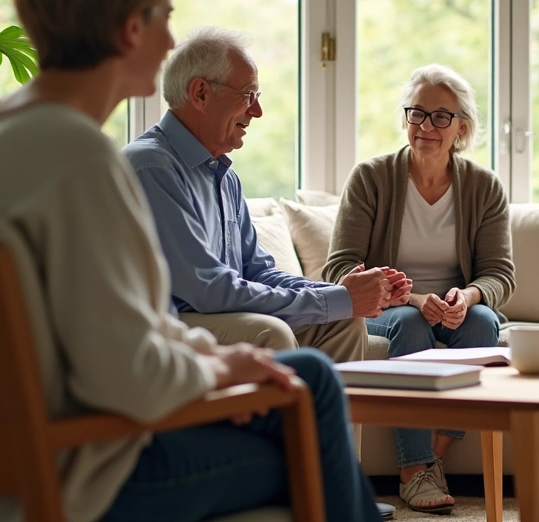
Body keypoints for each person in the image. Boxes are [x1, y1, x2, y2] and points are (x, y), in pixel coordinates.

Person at [0, 0, 399, 522]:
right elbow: (130, 378)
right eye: (164, 17)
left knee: (302, 384)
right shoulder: (80, 156)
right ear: (127, 26)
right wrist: (222, 368)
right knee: (312, 410)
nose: (170, 41)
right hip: (59, 498)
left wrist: (220, 358)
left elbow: (106, 335)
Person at [123, 26, 409, 365]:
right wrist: (338, 299)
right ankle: (289, 421)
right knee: (270, 332)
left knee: (343, 323)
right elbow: (209, 291)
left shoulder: (224, 176)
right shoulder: (152, 167)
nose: (257, 112)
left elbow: (258, 272)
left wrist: (339, 296)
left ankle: (329, 421)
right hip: (170, 323)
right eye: (248, 95)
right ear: (200, 93)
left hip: (215, 311)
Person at [324, 64, 516, 515]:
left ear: (461, 128)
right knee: (410, 323)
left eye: (441, 117)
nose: (426, 126)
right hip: (388, 306)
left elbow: (500, 275)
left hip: (456, 306)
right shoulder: (371, 178)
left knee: (484, 321)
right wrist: (406, 296)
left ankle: (431, 458)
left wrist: (465, 297)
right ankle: (415, 472)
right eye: (417, 114)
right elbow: (339, 269)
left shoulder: (483, 187)